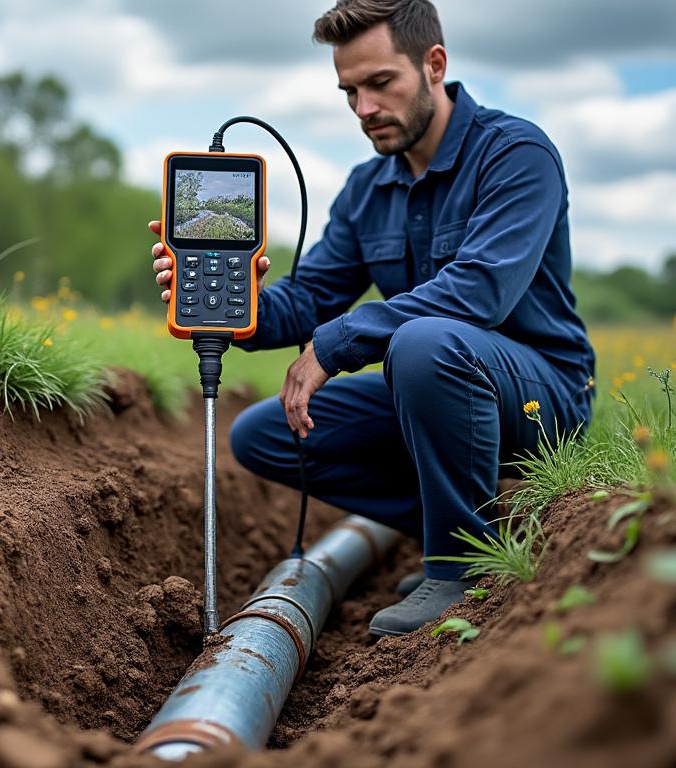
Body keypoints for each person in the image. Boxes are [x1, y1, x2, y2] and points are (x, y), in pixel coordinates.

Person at [148, 0, 595, 637]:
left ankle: (459, 564)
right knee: (265, 434)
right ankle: (469, 521)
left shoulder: (515, 154)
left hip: (541, 396)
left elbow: (480, 293)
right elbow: (309, 299)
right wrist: (230, 306)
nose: (363, 109)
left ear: (434, 64)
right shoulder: (366, 187)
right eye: (349, 91)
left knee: (423, 341)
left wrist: (336, 345)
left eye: (380, 84)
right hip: (431, 384)